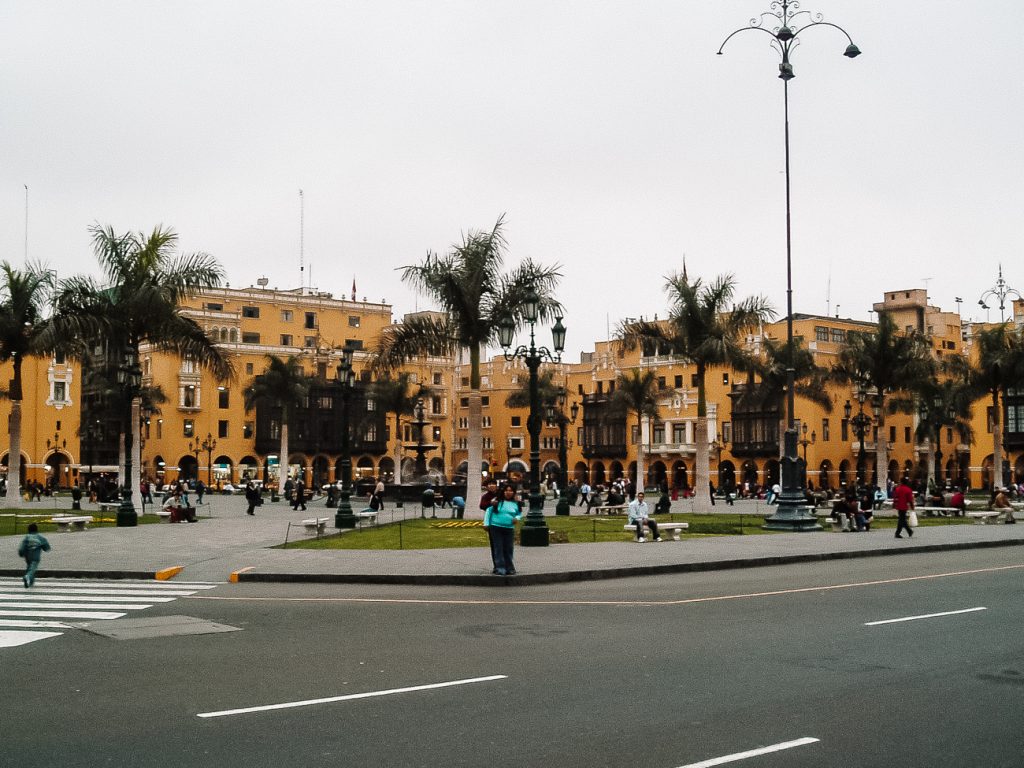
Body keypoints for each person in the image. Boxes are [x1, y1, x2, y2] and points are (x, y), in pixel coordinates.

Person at [483, 483, 521, 576]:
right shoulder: (497, 501)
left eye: (511, 491)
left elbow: (519, 513)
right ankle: (500, 568)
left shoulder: (515, 503)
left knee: (508, 549)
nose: (508, 492)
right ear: (503, 492)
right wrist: (486, 523)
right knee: (498, 548)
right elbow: (489, 511)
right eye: (506, 490)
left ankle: (509, 568)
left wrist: (517, 518)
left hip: (509, 528)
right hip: (496, 527)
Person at [18, 523, 51, 588]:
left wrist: (21, 553)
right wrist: (46, 548)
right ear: (36, 530)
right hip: (36, 556)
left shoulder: (27, 537)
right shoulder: (40, 537)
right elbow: (46, 547)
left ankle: (30, 583)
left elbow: (22, 547)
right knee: (32, 569)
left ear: (28, 530)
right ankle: (28, 577)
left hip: (27, 556)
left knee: (29, 567)